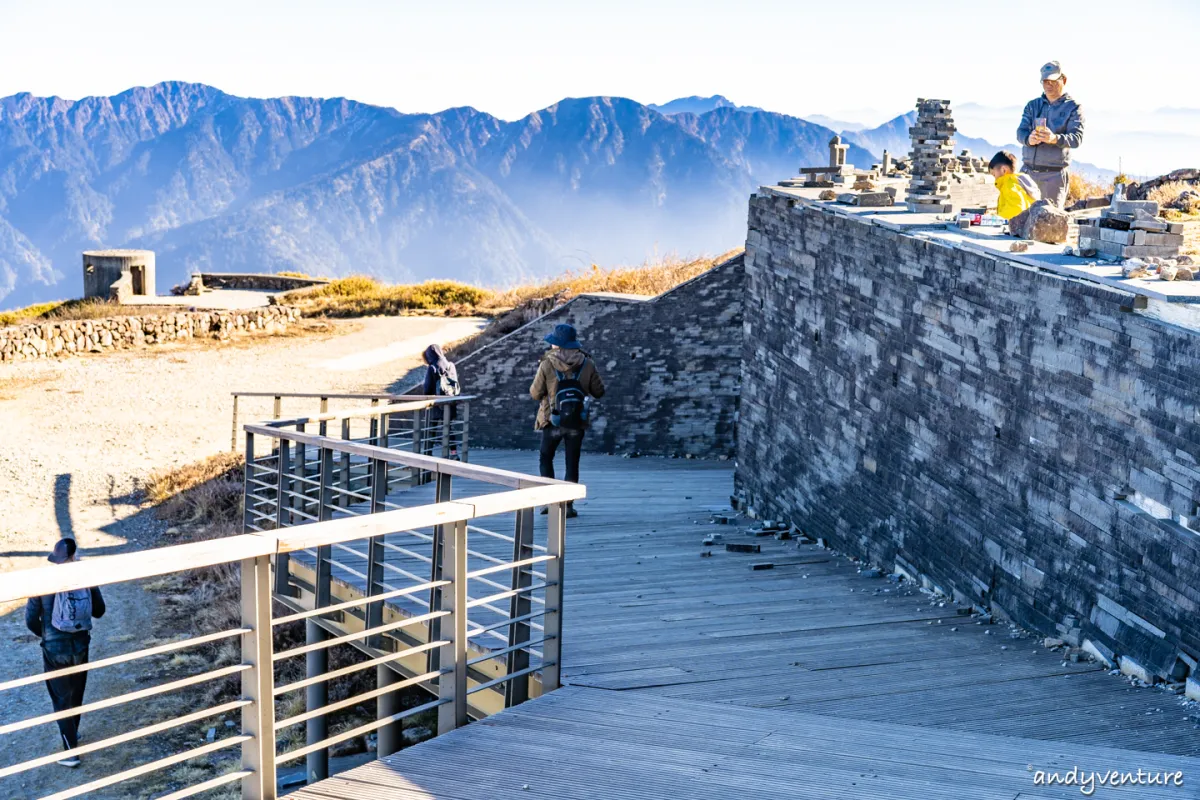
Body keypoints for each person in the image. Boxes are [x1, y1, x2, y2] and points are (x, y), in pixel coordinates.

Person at [25, 538, 106, 768]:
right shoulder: (85, 577)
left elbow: (31, 619)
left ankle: (70, 753)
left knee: (60, 698)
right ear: (74, 556)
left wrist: (45, 635)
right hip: (80, 645)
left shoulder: (43, 582)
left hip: (54, 649)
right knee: (76, 692)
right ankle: (73, 732)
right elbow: (99, 611)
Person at [530, 323, 605, 517]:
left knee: (546, 458)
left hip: (552, 419)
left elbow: (535, 393)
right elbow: (599, 391)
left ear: (557, 345)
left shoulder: (547, 363)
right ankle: (568, 506)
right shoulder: (587, 363)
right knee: (572, 462)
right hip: (576, 422)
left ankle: (549, 503)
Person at [1016, 61, 1085, 208]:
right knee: (1020, 219)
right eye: (1045, 81)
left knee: (1050, 225)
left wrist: (1055, 139)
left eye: (1053, 81)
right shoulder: (1032, 105)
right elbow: (1020, 132)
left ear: (1063, 80)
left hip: (1054, 177)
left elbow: (1076, 139)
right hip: (1027, 173)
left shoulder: (1073, 107)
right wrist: (1029, 139)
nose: (1049, 85)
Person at [989, 150, 1040, 220]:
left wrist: (999, 218)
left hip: (1016, 226)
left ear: (1004, 170)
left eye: (994, 174)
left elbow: (1016, 209)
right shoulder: (1021, 181)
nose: (995, 178)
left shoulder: (1010, 185)